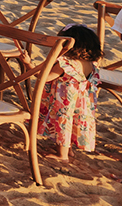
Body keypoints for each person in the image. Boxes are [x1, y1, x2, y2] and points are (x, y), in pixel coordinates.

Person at [37, 24, 102, 162]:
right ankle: (69, 150)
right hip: (82, 103)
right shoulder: (91, 64)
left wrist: (28, 65)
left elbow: (45, 77)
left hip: (65, 101)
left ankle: (63, 155)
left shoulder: (66, 63)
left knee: (64, 123)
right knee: (72, 123)